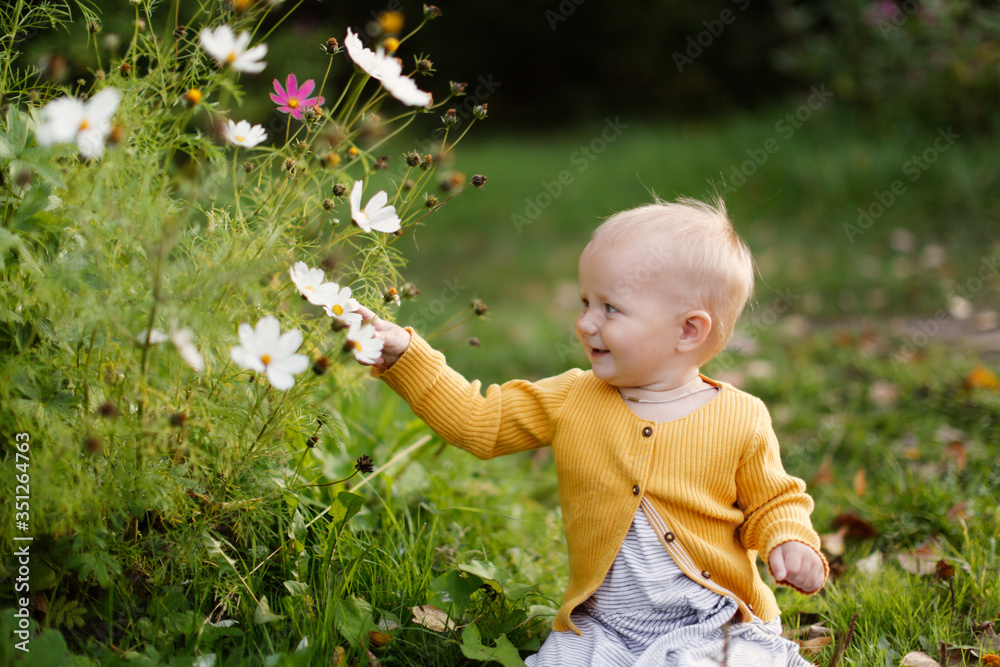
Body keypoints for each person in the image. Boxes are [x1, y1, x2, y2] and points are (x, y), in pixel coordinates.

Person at [354, 196, 827, 666]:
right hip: (603, 627)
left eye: (610, 308)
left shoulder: (740, 416)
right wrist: (406, 358)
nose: (584, 323)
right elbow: (481, 422)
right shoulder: (572, 398)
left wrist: (789, 539)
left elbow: (773, 501)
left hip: (715, 620)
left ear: (688, 331)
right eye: (585, 302)